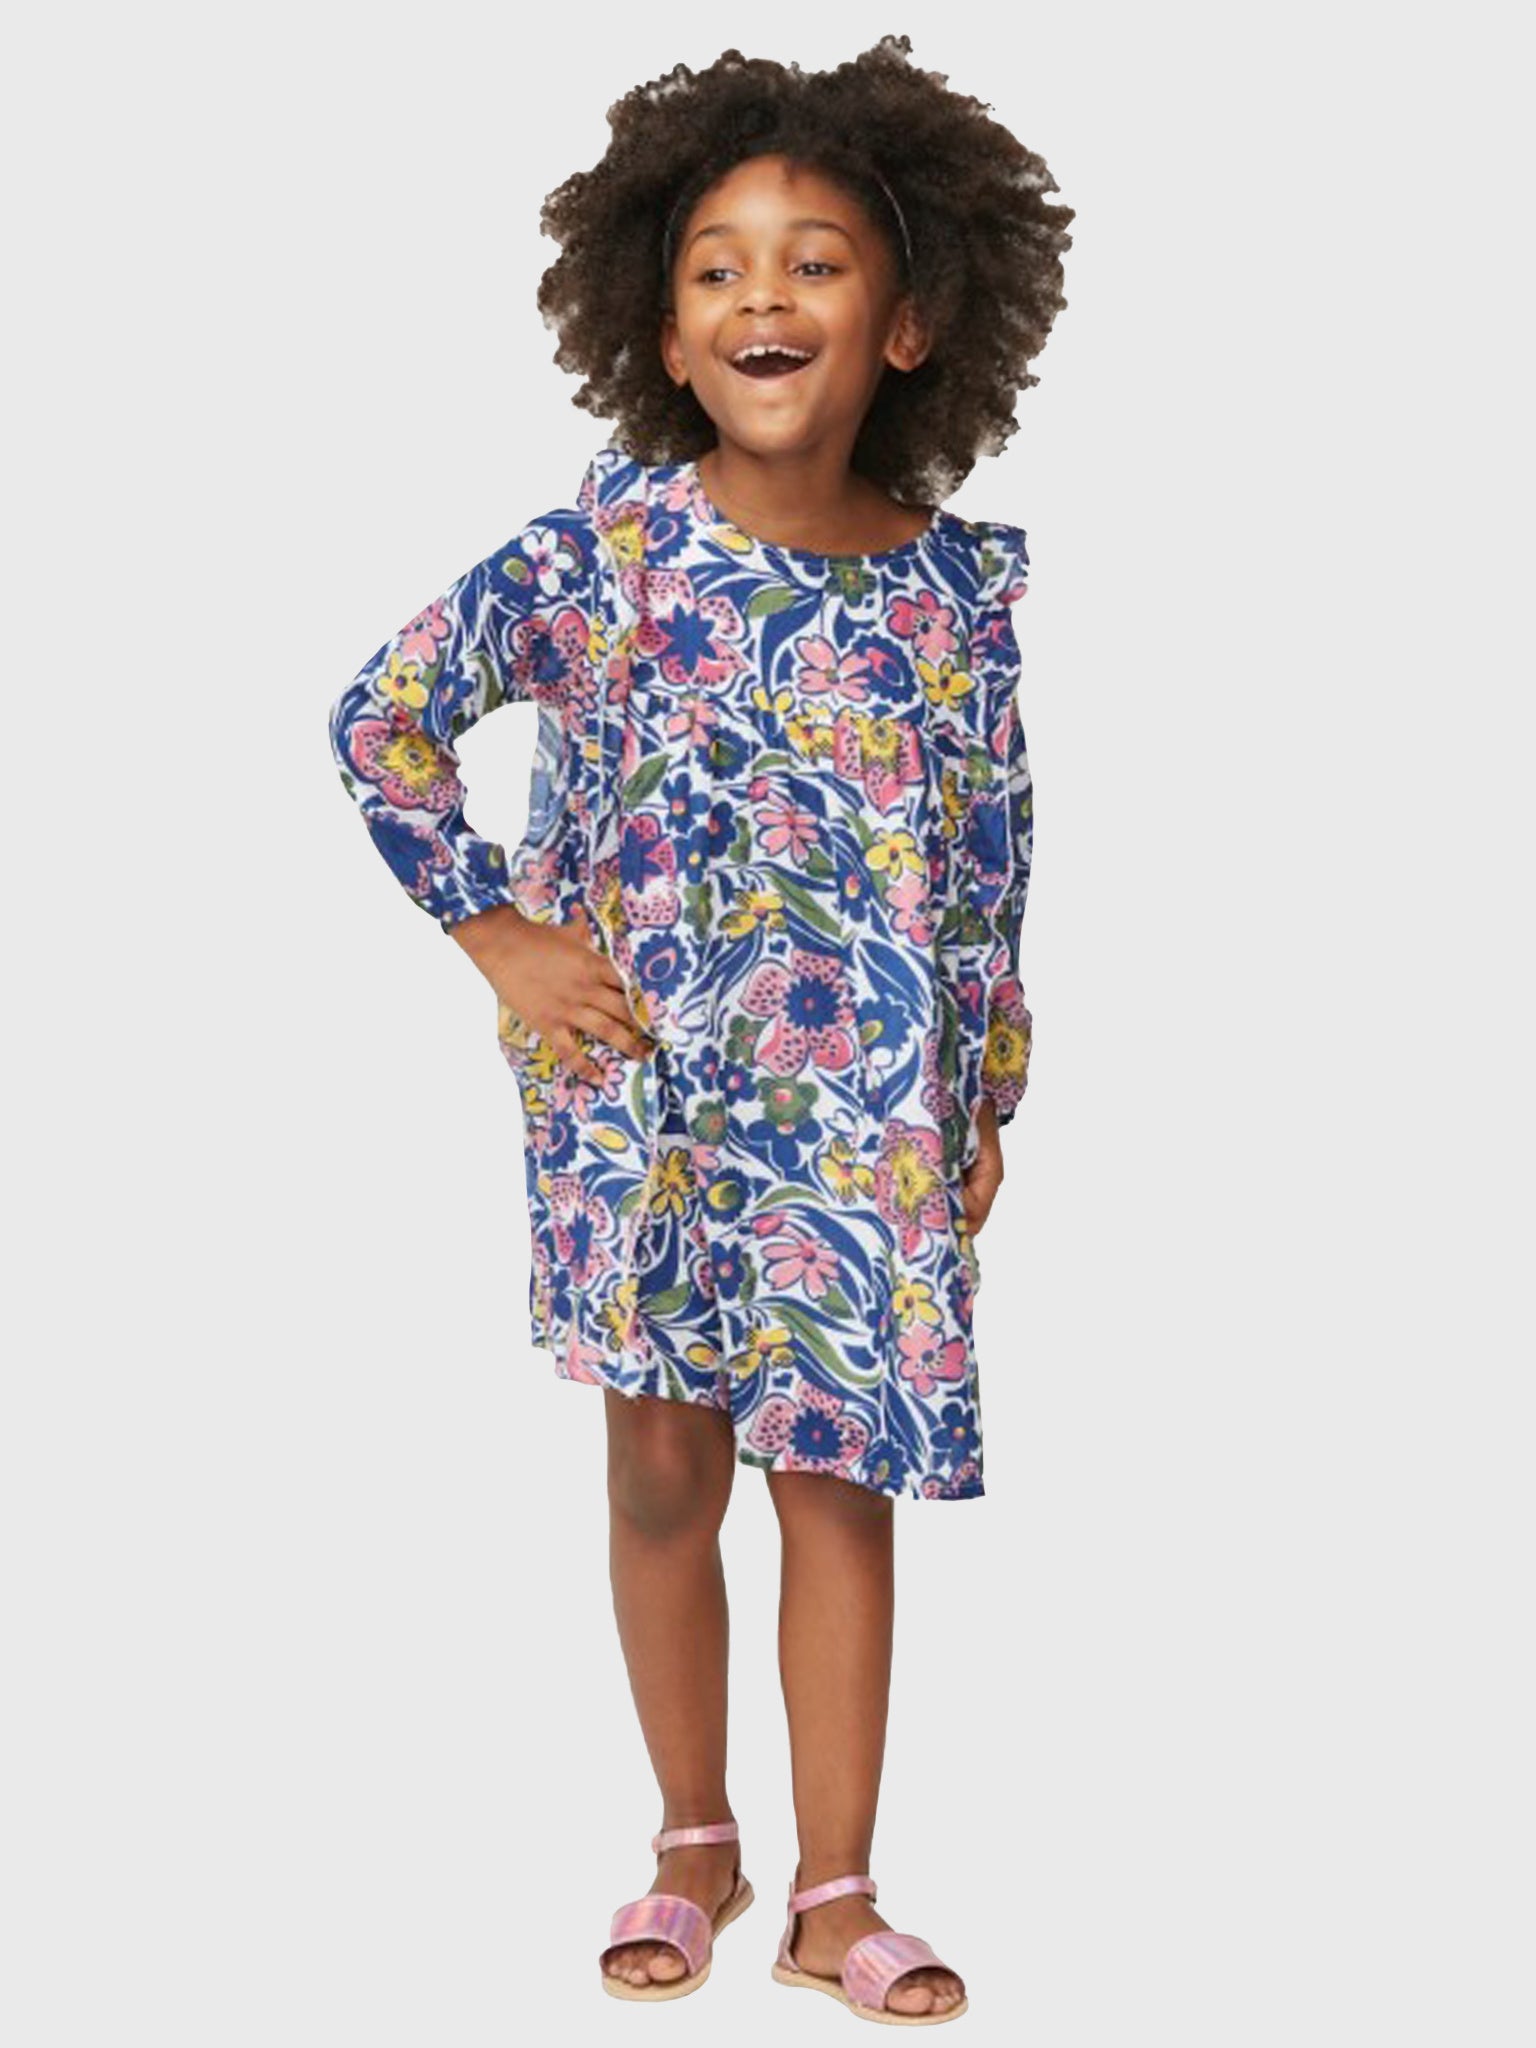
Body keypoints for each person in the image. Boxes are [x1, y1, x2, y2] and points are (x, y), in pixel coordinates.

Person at [327, 33, 1072, 2027]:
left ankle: (837, 1890)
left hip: (861, 1116)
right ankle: (693, 1839)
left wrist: (986, 1088)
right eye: (721, 268)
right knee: (664, 1471)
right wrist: (497, 933)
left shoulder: (952, 598)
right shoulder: (601, 556)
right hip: (637, 1098)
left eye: (817, 262)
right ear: (661, 334)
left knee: (835, 1479)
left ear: (911, 322)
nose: (766, 296)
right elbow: (381, 716)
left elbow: (994, 850)